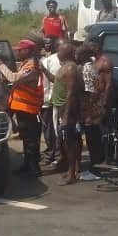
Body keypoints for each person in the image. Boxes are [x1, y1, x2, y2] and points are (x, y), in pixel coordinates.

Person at [0, 39, 43, 176]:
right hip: (23, 108)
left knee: (31, 140)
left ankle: (34, 169)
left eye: (20, 50)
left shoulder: (32, 66)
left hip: (29, 109)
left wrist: (1, 65)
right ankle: (28, 166)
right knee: (26, 139)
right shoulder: (26, 64)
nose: (17, 52)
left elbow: (14, 78)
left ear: (28, 51)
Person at [41, 42, 81, 184]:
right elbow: (56, 81)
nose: (57, 52)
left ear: (67, 53)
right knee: (67, 141)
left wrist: (65, 116)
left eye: (60, 50)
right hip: (60, 107)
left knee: (69, 142)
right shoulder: (64, 67)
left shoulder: (70, 68)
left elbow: (71, 93)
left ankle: (71, 174)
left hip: (66, 109)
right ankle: (73, 170)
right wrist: (44, 71)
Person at [77, 43, 113, 179]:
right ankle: (96, 165)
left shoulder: (104, 62)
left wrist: (102, 104)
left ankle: (97, 168)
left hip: (97, 104)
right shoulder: (94, 61)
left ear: (97, 47)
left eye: (91, 45)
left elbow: (108, 86)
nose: (89, 47)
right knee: (91, 136)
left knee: (94, 136)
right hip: (92, 102)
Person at [40, 37, 61, 167]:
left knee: (53, 130)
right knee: (52, 130)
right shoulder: (50, 60)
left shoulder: (48, 61)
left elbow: (47, 83)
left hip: (55, 101)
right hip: (54, 100)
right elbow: (46, 83)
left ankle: (54, 155)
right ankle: (53, 154)